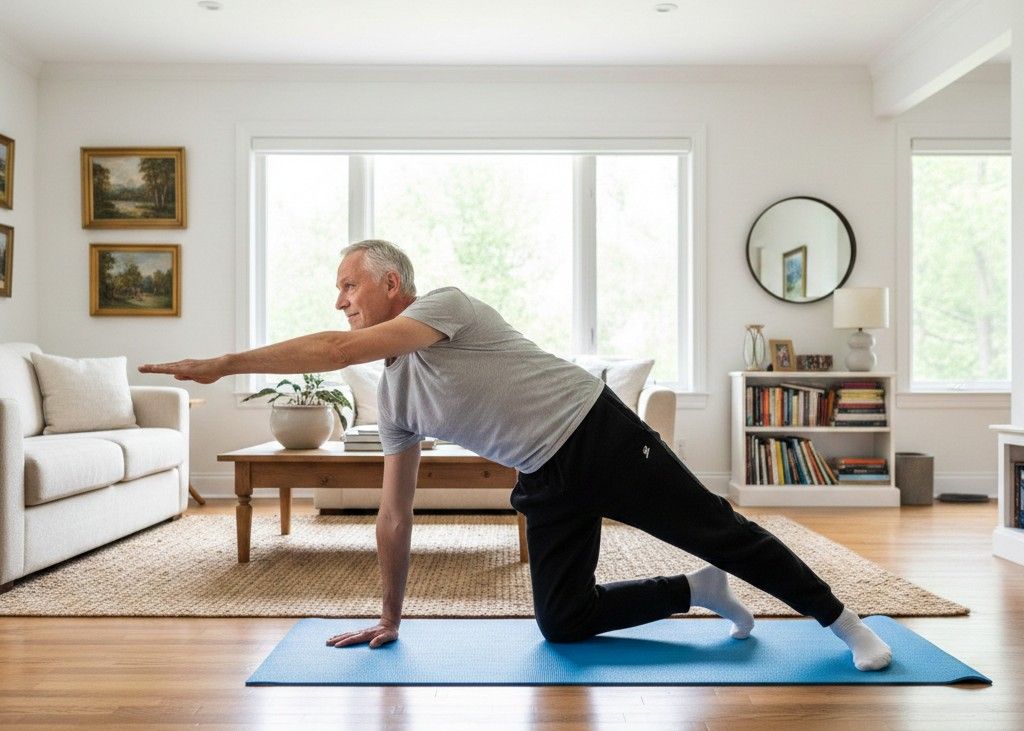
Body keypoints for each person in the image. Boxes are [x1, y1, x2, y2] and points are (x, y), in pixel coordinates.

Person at [140, 239, 892, 671]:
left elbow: (338, 349)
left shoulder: (446, 306)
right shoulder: (396, 396)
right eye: (337, 290)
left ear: (390, 283)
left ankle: (845, 623)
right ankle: (696, 588)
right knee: (563, 620)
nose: (340, 299)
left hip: (597, 434)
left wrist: (225, 363)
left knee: (720, 528)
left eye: (349, 284)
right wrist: (390, 616)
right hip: (543, 475)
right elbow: (394, 514)